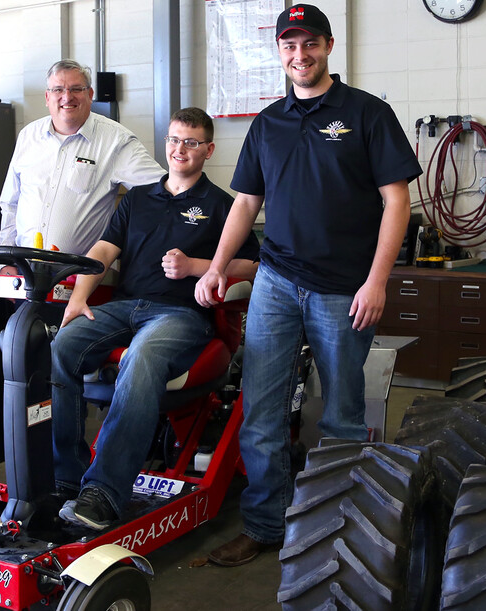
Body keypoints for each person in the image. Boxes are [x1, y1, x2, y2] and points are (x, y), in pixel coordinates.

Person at [194, 4, 422, 566]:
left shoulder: (368, 114)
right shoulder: (268, 123)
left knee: (343, 416)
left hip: (346, 289)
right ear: (279, 51)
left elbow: (398, 199)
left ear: (328, 45)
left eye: (310, 43)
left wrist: (377, 282)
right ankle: (266, 525)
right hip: (275, 281)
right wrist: (219, 264)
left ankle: (337, 525)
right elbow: (246, 202)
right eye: (289, 45)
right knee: (262, 412)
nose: (300, 54)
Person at [51, 107, 260, 530]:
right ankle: (68, 476)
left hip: (183, 316)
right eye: (172, 139)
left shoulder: (222, 206)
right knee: (62, 345)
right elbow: (104, 251)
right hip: (127, 306)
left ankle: (104, 493)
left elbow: (253, 267)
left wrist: (196, 266)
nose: (178, 149)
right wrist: (78, 298)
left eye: (190, 142)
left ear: (208, 149)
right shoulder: (140, 198)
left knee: (141, 356)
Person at [0, 59, 165, 274]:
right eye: (58, 89)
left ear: (90, 94)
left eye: (76, 89)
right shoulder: (28, 136)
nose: (67, 97)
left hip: (82, 278)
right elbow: (10, 204)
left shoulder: (115, 141)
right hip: (25, 271)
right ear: (47, 97)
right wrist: (7, 262)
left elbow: (163, 190)